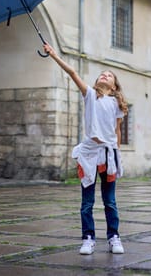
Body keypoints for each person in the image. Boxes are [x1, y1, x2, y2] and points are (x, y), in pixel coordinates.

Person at [43, 42, 128, 255]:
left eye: (109, 75)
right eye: (102, 74)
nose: (105, 75)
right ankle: (88, 238)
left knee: (110, 201)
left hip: (109, 156)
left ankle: (114, 237)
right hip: (89, 154)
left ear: (115, 86)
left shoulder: (116, 104)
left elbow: (117, 131)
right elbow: (72, 72)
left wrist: (117, 153)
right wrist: (53, 54)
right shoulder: (90, 94)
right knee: (87, 201)